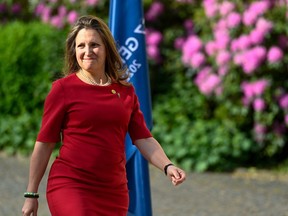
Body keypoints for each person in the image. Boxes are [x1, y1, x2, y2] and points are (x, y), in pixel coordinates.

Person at [21, 15, 186, 216]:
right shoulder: (63, 89)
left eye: (94, 45)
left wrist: (167, 166)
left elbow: (143, 137)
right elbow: (45, 142)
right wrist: (31, 193)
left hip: (113, 192)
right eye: (81, 46)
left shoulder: (126, 92)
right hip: (71, 184)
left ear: (107, 48)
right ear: (74, 51)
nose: (87, 51)